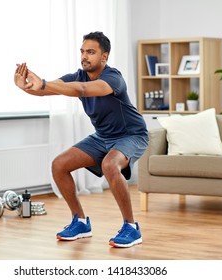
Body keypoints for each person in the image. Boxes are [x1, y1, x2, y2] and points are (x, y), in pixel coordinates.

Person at [14, 31, 148, 248]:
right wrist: (27, 87)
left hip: (131, 134)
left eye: (91, 52)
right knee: (59, 165)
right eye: (83, 51)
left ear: (104, 57)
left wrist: (45, 83)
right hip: (102, 137)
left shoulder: (113, 78)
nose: (85, 56)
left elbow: (84, 90)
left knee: (110, 165)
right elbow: (47, 89)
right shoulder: (78, 76)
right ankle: (80, 222)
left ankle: (131, 228)